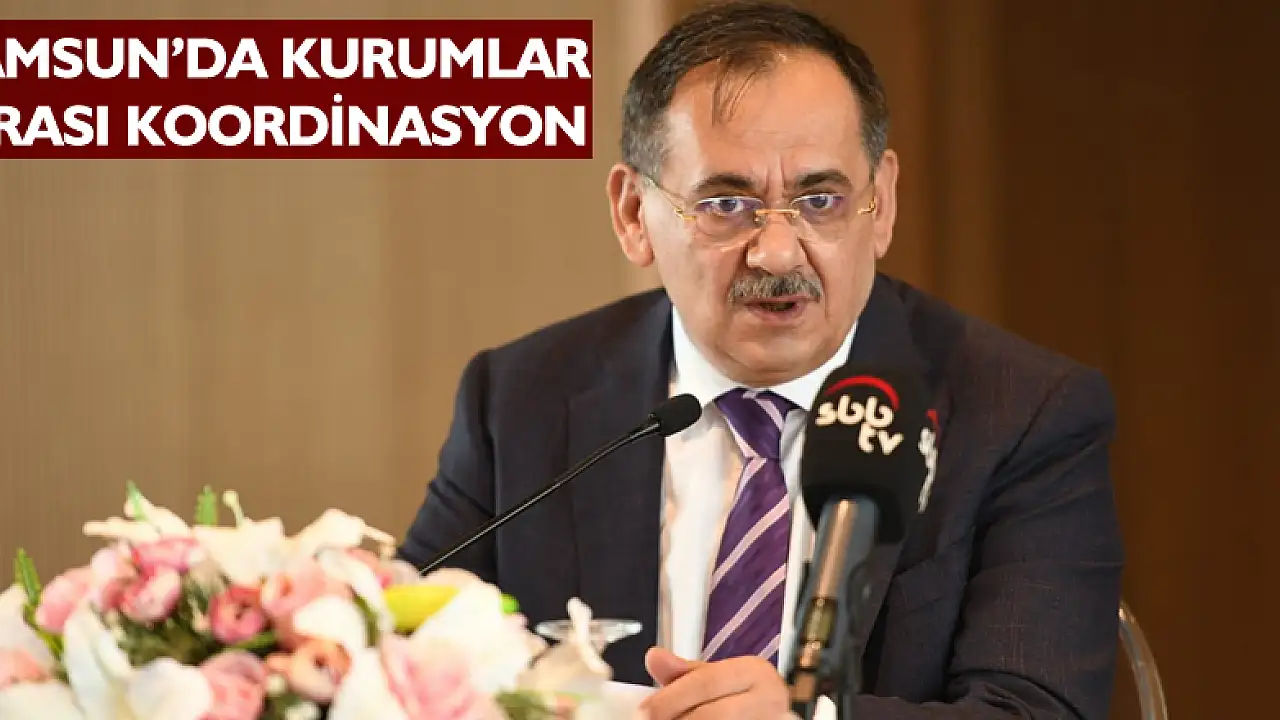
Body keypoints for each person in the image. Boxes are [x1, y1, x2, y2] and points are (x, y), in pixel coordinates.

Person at [397, 2, 1125, 718]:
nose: (777, 253)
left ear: (882, 202)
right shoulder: (523, 397)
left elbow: (1036, 709)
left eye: (820, 200)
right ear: (633, 214)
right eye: (725, 204)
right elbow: (402, 659)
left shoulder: (1019, 414)